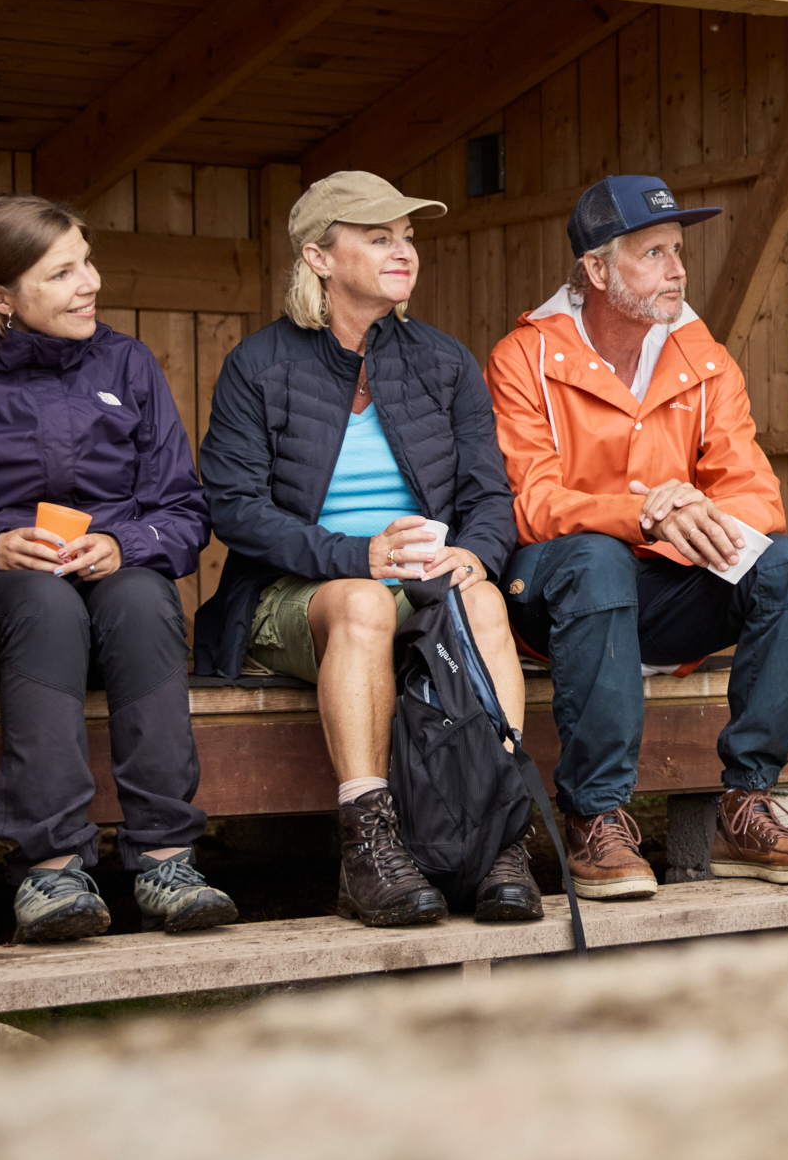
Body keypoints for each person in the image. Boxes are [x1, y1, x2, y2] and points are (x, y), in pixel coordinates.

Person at [0, 194, 232, 944]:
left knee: (145, 593)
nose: (90, 282)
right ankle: (51, 872)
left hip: (101, 608)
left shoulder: (126, 361)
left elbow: (184, 513)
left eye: (86, 261)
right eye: (62, 272)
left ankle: (166, 860)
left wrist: (123, 543)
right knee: (41, 601)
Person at [195, 170, 539, 928]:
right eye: (379, 236)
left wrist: (475, 554)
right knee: (359, 605)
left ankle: (501, 839)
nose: (402, 250)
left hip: (419, 586)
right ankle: (369, 848)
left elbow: (489, 492)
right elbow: (235, 508)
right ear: (320, 257)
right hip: (295, 594)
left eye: (407, 236)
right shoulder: (260, 364)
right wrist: (358, 555)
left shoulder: (443, 361)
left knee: (482, 600)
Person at [486, 174, 788, 900]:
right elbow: (530, 501)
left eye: (678, 249)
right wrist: (641, 513)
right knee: (596, 557)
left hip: (665, 589)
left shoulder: (702, 355)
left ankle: (743, 805)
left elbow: (755, 491)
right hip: (553, 599)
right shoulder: (524, 356)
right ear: (596, 269)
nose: (678, 268)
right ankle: (594, 813)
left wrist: (687, 518)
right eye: (654, 253)